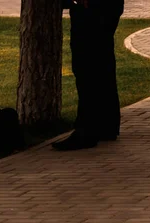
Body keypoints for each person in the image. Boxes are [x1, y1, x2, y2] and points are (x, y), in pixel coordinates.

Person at [54, 0, 124, 151]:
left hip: (90, 9)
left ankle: (87, 130)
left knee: (86, 66)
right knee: (102, 64)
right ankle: (106, 124)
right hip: (103, 9)